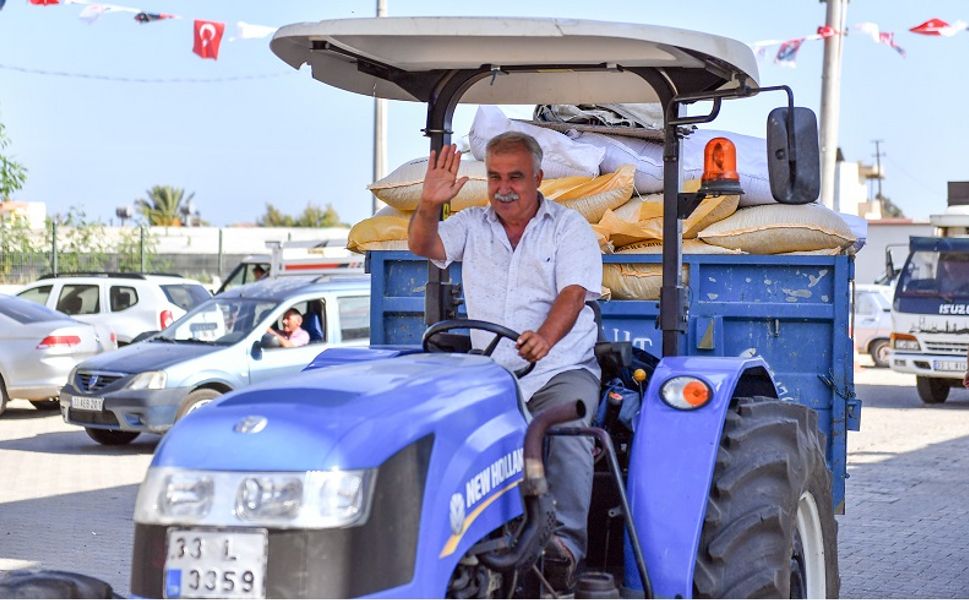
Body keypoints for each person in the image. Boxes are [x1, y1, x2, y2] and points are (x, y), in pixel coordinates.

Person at [408, 132, 602, 592]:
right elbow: (423, 245)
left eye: (515, 176)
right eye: (495, 177)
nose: (504, 187)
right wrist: (429, 202)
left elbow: (573, 293)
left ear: (538, 178)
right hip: (491, 371)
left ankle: (563, 548)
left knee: (565, 427)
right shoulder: (472, 224)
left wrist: (546, 338)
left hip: (560, 368)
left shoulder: (568, 227)